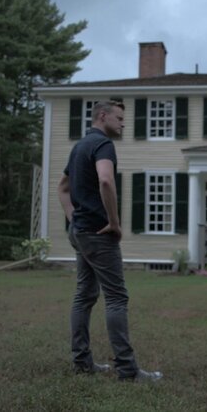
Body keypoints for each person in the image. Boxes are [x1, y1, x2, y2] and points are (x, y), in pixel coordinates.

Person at [57, 100, 162, 382]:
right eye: (119, 118)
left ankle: (82, 362)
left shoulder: (79, 146)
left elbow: (63, 188)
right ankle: (127, 370)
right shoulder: (103, 145)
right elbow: (106, 180)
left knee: (85, 295)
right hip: (98, 233)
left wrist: (73, 218)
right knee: (116, 297)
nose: (123, 123)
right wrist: (114, 222)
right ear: (102, 116)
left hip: (81, 232)